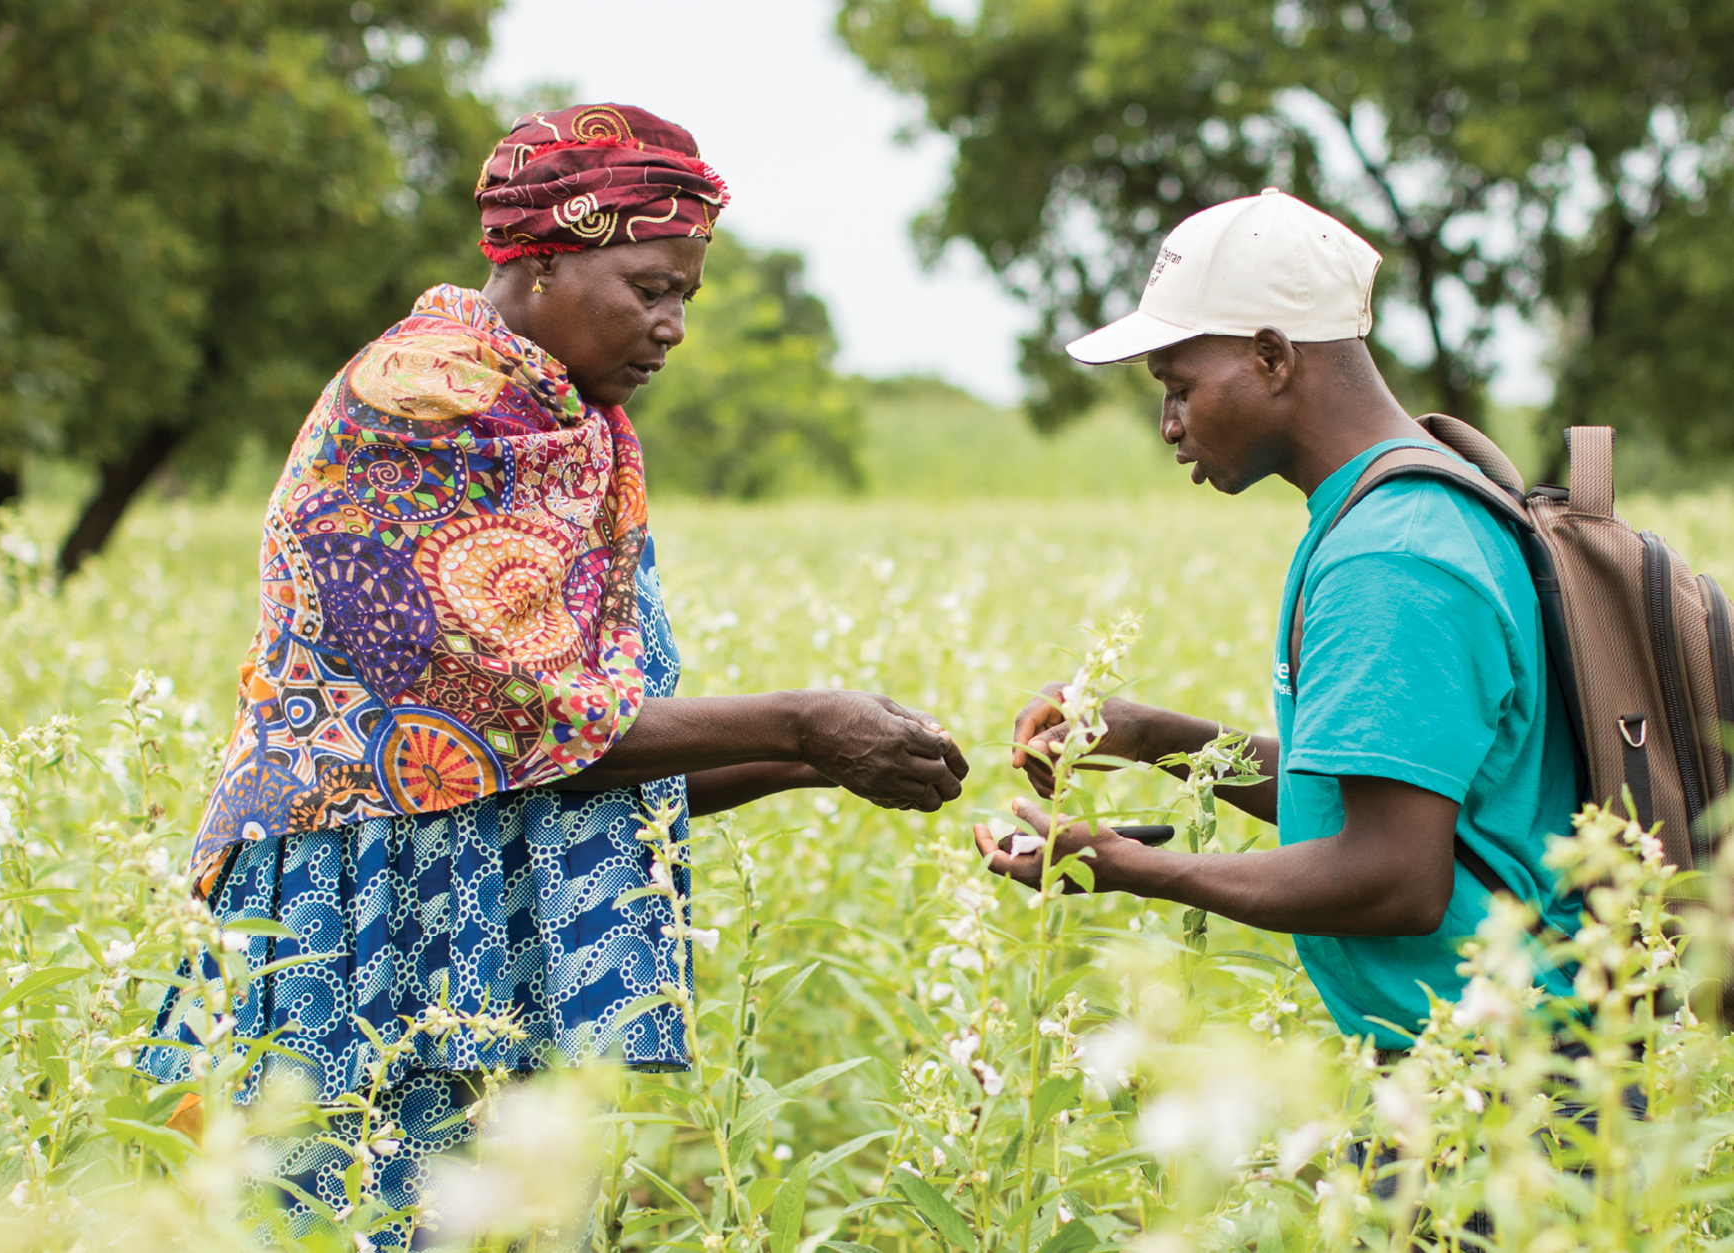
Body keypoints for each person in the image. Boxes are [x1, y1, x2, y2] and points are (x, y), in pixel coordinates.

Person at [138, 103, 968, 1243]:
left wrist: (815, 758)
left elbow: (584, 758)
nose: (672, 325)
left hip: (480, 930)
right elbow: (524, 730)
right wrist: (807, 721)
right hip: (362, 929)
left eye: (686, 293)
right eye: (649, 286)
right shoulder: (422, 406)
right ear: (540, 259)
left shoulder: (570, 426)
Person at [976, 189, 1583, 1055]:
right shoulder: (1394, 507)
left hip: (1505, 1091)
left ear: (1271, 356)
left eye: (1179, 387)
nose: (1168, 423)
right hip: (1476, 1067)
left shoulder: (1393, 554)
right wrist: (1152, 736)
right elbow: (1360, 795)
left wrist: (1129, 868)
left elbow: (1393, 877)